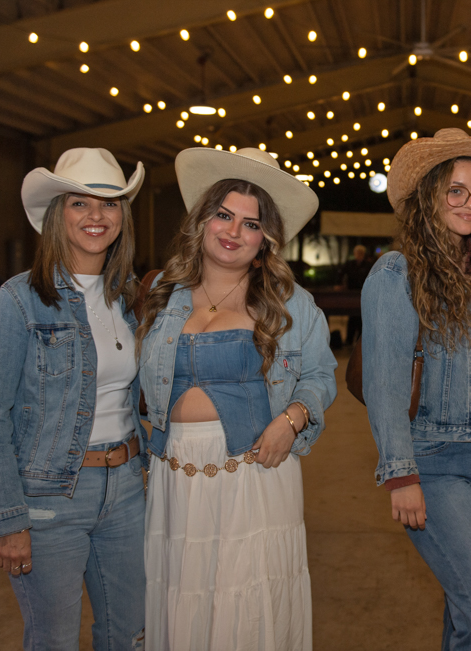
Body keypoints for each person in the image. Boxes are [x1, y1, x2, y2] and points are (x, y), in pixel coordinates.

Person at [136, 146, 337, 650]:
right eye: (224, 215)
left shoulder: (291, 303)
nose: (233, 231)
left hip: (255, 476)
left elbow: (319, 374)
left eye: (251, 224)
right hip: (174, 475)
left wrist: (292, 419)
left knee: (244, 608)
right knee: (183, 600)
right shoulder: (163, 292)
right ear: (203, 220)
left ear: (265, 239)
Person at [0, 148, 147, 650]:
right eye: (79, 203)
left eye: (109, 203)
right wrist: (8, 519)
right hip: (49, 498)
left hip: (127, 489)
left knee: (131, 635)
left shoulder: (131, 298)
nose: (97, 215)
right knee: (54, 640)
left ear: (122, 217)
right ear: (56, 215)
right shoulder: (18, 301)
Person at [362, 128, 471, 650]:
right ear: (429, 195)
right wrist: (401, 474)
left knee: (470, 609)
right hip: (436, 463)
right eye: (455, 190)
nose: (470, 203)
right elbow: (384, 385)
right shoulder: (397, 273)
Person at [337, 244, 373, 346]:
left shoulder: (368, 265)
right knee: (352, 317)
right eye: (357, 253)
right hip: (352, 294)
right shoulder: (350, 264)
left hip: (364, 294)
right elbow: (340, 273)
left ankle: (359, 340)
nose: (359, 255)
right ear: (354, 254)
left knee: (361, 318)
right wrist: (339, 284)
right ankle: (349, 340)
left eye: (361, 253)